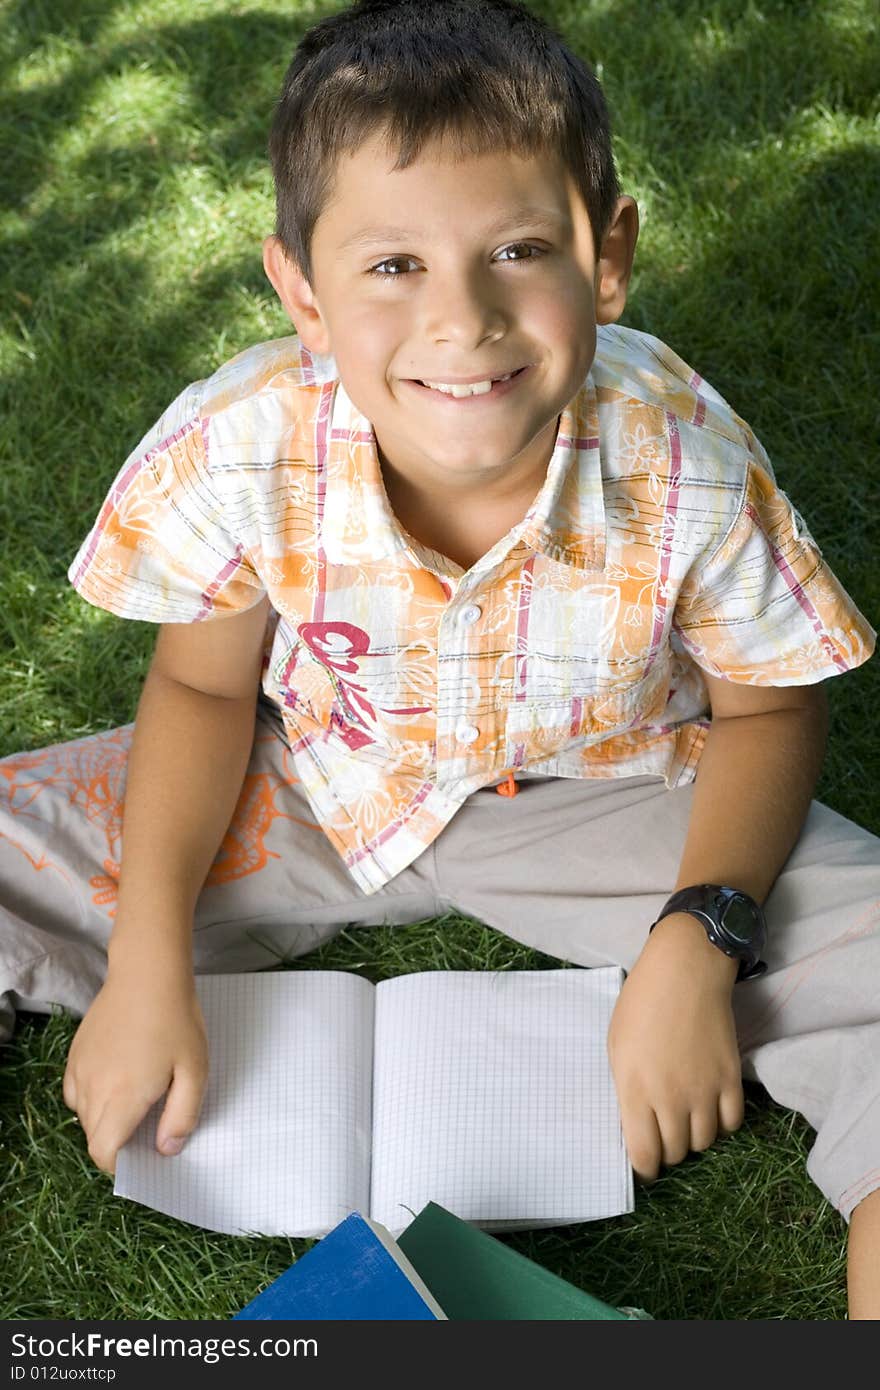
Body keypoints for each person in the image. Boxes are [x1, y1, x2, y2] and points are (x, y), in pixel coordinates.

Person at [1, 0, 877, 1317]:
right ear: (300, 291)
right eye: (392, 265)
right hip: (307, 772)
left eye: (518, 249)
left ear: (610, 255)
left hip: (613, 800)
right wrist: (145, 952)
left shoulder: (683, 456)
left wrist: (699, 939)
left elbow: (769, 715)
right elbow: (198, 688)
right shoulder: (242, 444)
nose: (461, 320)